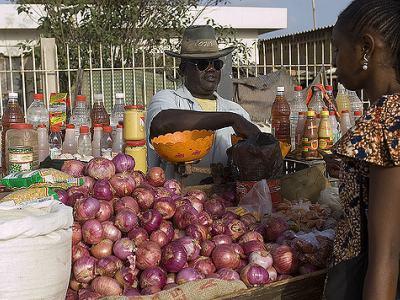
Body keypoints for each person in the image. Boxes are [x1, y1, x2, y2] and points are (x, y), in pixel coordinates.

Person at [323, 1, 400, 299]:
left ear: (366, 48)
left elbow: (388, 253)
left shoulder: (388, 120)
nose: (334, 62)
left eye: (337, 49)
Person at [146, 25, 260, 183]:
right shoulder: (167, 99)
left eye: (216, 64)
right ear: (183, 70)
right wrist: (231, 119)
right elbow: (162, 122)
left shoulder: (236, 110)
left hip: (224, 202)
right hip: (177, 202)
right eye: (202, 64)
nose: (211, 69)